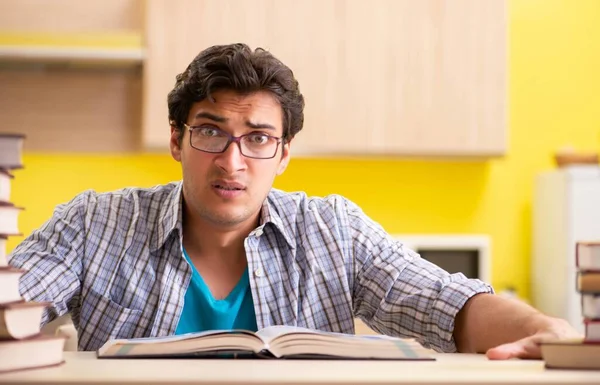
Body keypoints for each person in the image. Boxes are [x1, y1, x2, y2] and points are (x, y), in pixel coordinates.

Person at [9, 43, 578, 358]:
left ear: (283, 154)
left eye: (257, 139)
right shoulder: (94, 223)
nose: (232, 162)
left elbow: (447, 303)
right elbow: (16, 300)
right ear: (177, 140)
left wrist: (551, 330)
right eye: (210, 132)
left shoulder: (333, 230)